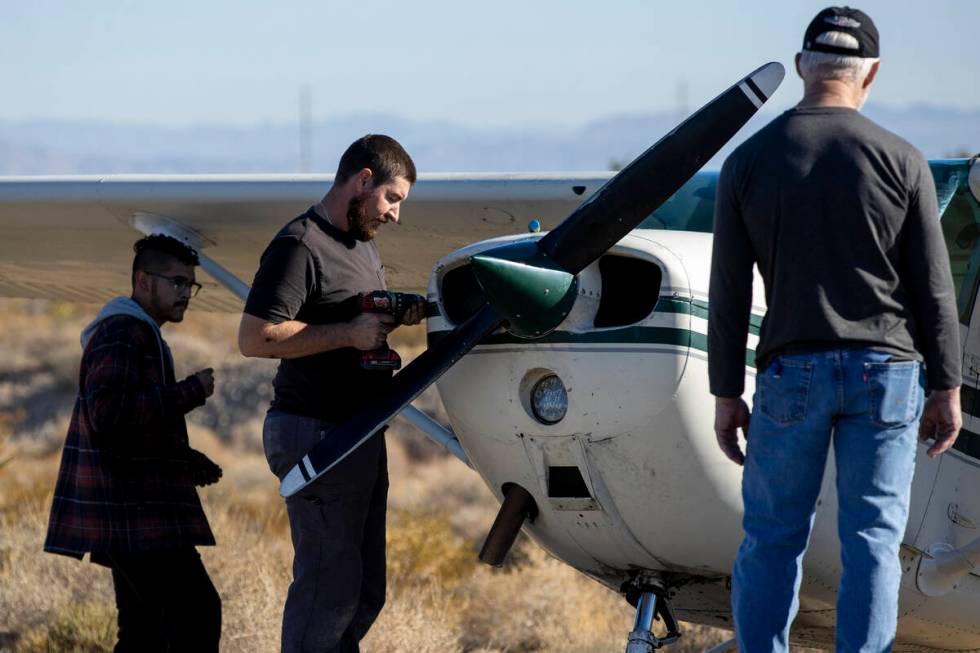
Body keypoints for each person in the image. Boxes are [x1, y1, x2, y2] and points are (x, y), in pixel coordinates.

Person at [708, 7, 963, 651]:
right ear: (870, 74)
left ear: (801, 67)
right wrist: (947, 388)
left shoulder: (746, 162)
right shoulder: (903, 160)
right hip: (888, 376)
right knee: (873, 540)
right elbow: (935, 288)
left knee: (773, 536)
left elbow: (730, 291)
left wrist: (724, 393)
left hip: (791, 371)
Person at [238, 134, 422, 653]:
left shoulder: (363, 243)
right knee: (328, 595)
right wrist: (349, 334)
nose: (395, 215)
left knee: (364, 593)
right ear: (364, 181)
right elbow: (255, 338)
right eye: (393, 198)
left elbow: (359, 319)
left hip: (356, 434)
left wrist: (392, 318)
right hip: (316, 434)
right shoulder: (300, 244)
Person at [44, 234, 223, 652]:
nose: (186, 294)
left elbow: (128, 423)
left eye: (190, 285)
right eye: (177, 282)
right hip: (133, 512)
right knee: (197, 614)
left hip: (133, 509)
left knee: (144, 633)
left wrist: (184, 458)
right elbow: (111, 413)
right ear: (143, 281)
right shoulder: (123, 333)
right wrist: (190, 391)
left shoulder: (134, 331)